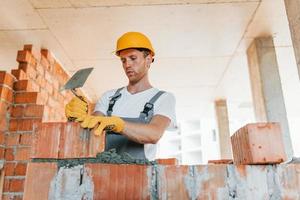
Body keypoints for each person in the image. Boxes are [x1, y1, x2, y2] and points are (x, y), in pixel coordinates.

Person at [65, 32, 176, 161]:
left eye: (133, 58)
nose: (127, 64)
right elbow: (90, 132)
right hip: (105, 171)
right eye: (123, 60)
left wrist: (119, 125)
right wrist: (79, 119)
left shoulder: (163, 98)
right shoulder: (109, 97)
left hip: (141, 175)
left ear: (148, 59)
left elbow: (154, 134)